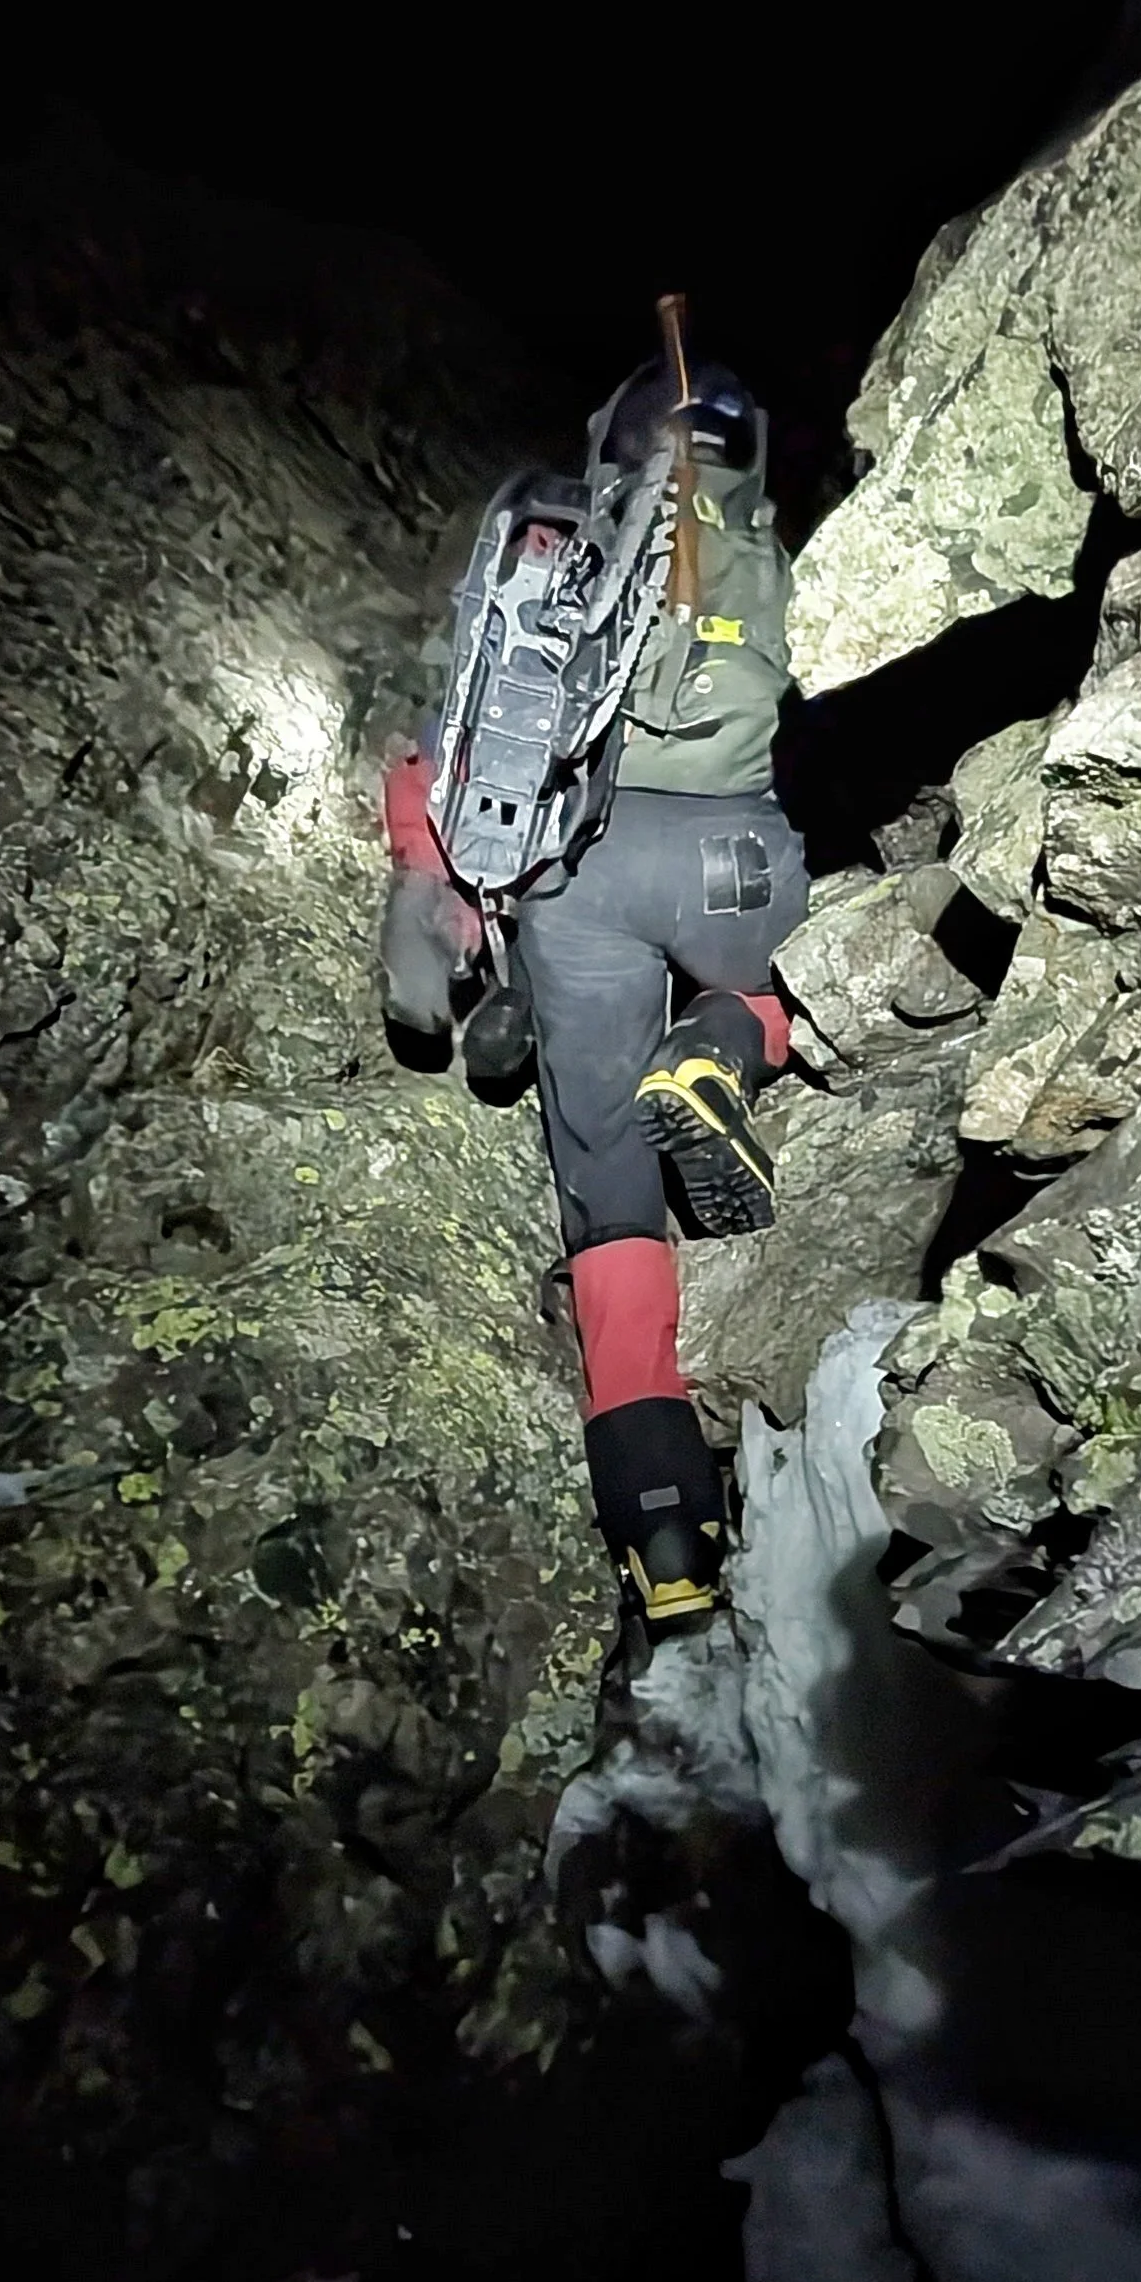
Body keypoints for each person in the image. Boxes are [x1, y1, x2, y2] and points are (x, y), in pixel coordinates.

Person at [380, 349, 806, 1627]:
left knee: (605, 1171)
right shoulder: (769, 543)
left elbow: (455, 735)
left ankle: (663, 1525)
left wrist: (428, 892)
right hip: (732, 852)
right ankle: (725, 1046)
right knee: (798, 985)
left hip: (579, 867)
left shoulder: (547, 533)